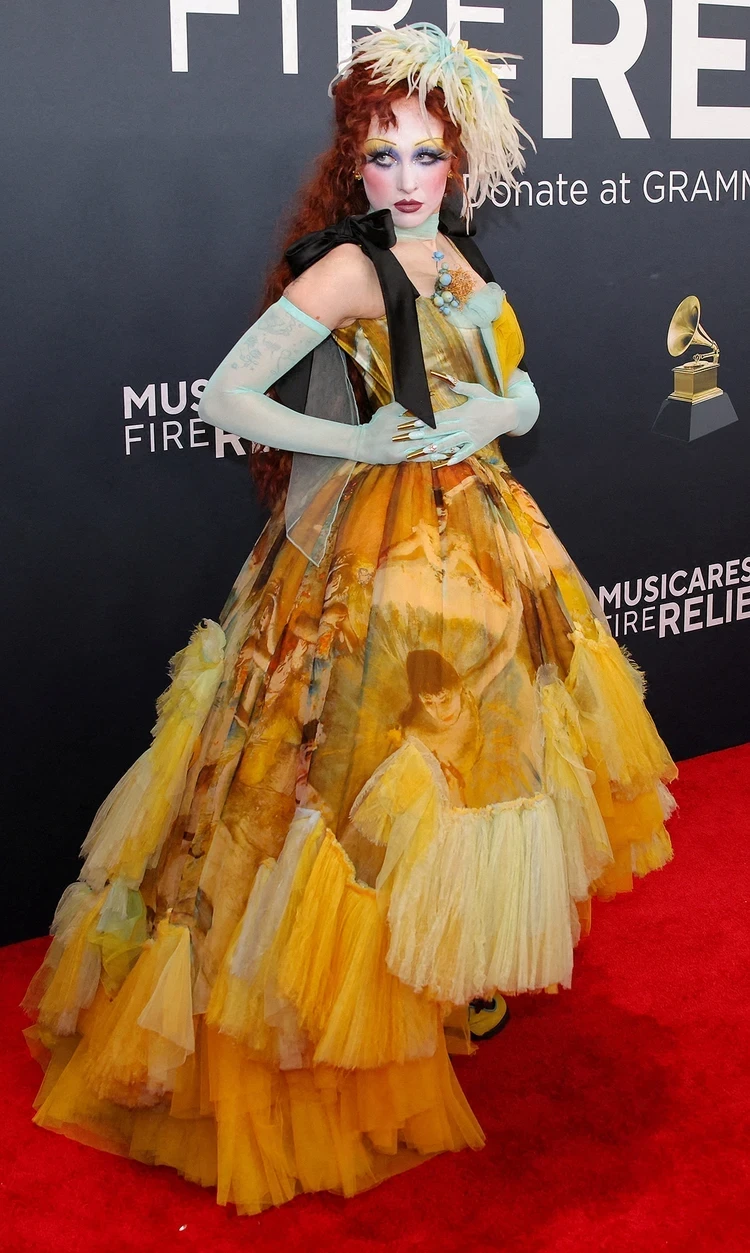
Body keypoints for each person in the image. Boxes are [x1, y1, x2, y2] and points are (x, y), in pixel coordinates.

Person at [23, 23, 678, 1216]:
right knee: (350, 769)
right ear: (354, 162)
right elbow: (228, 394)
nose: (408, 179)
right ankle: (345, 998)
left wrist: (497, 415)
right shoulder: (347, 271)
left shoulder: (457, 254)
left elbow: (519, 385)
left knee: (467, 765)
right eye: (385, 157)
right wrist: (361, 438)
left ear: (457, 162)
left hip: (482, 544)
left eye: (428, 155)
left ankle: (434, 970)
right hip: (373, 562)